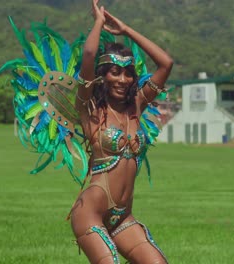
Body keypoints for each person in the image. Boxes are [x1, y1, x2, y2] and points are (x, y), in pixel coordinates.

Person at [70, 0, 173, 263]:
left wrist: (126, 30)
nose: (123, 80)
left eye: (128, 74)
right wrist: (98, 23)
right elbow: (90, 57)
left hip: (122, 217)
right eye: (115, 73)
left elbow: (166, 64)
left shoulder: (136, 104)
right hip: (90, 213)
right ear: (103, 76)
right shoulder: (90, 107)